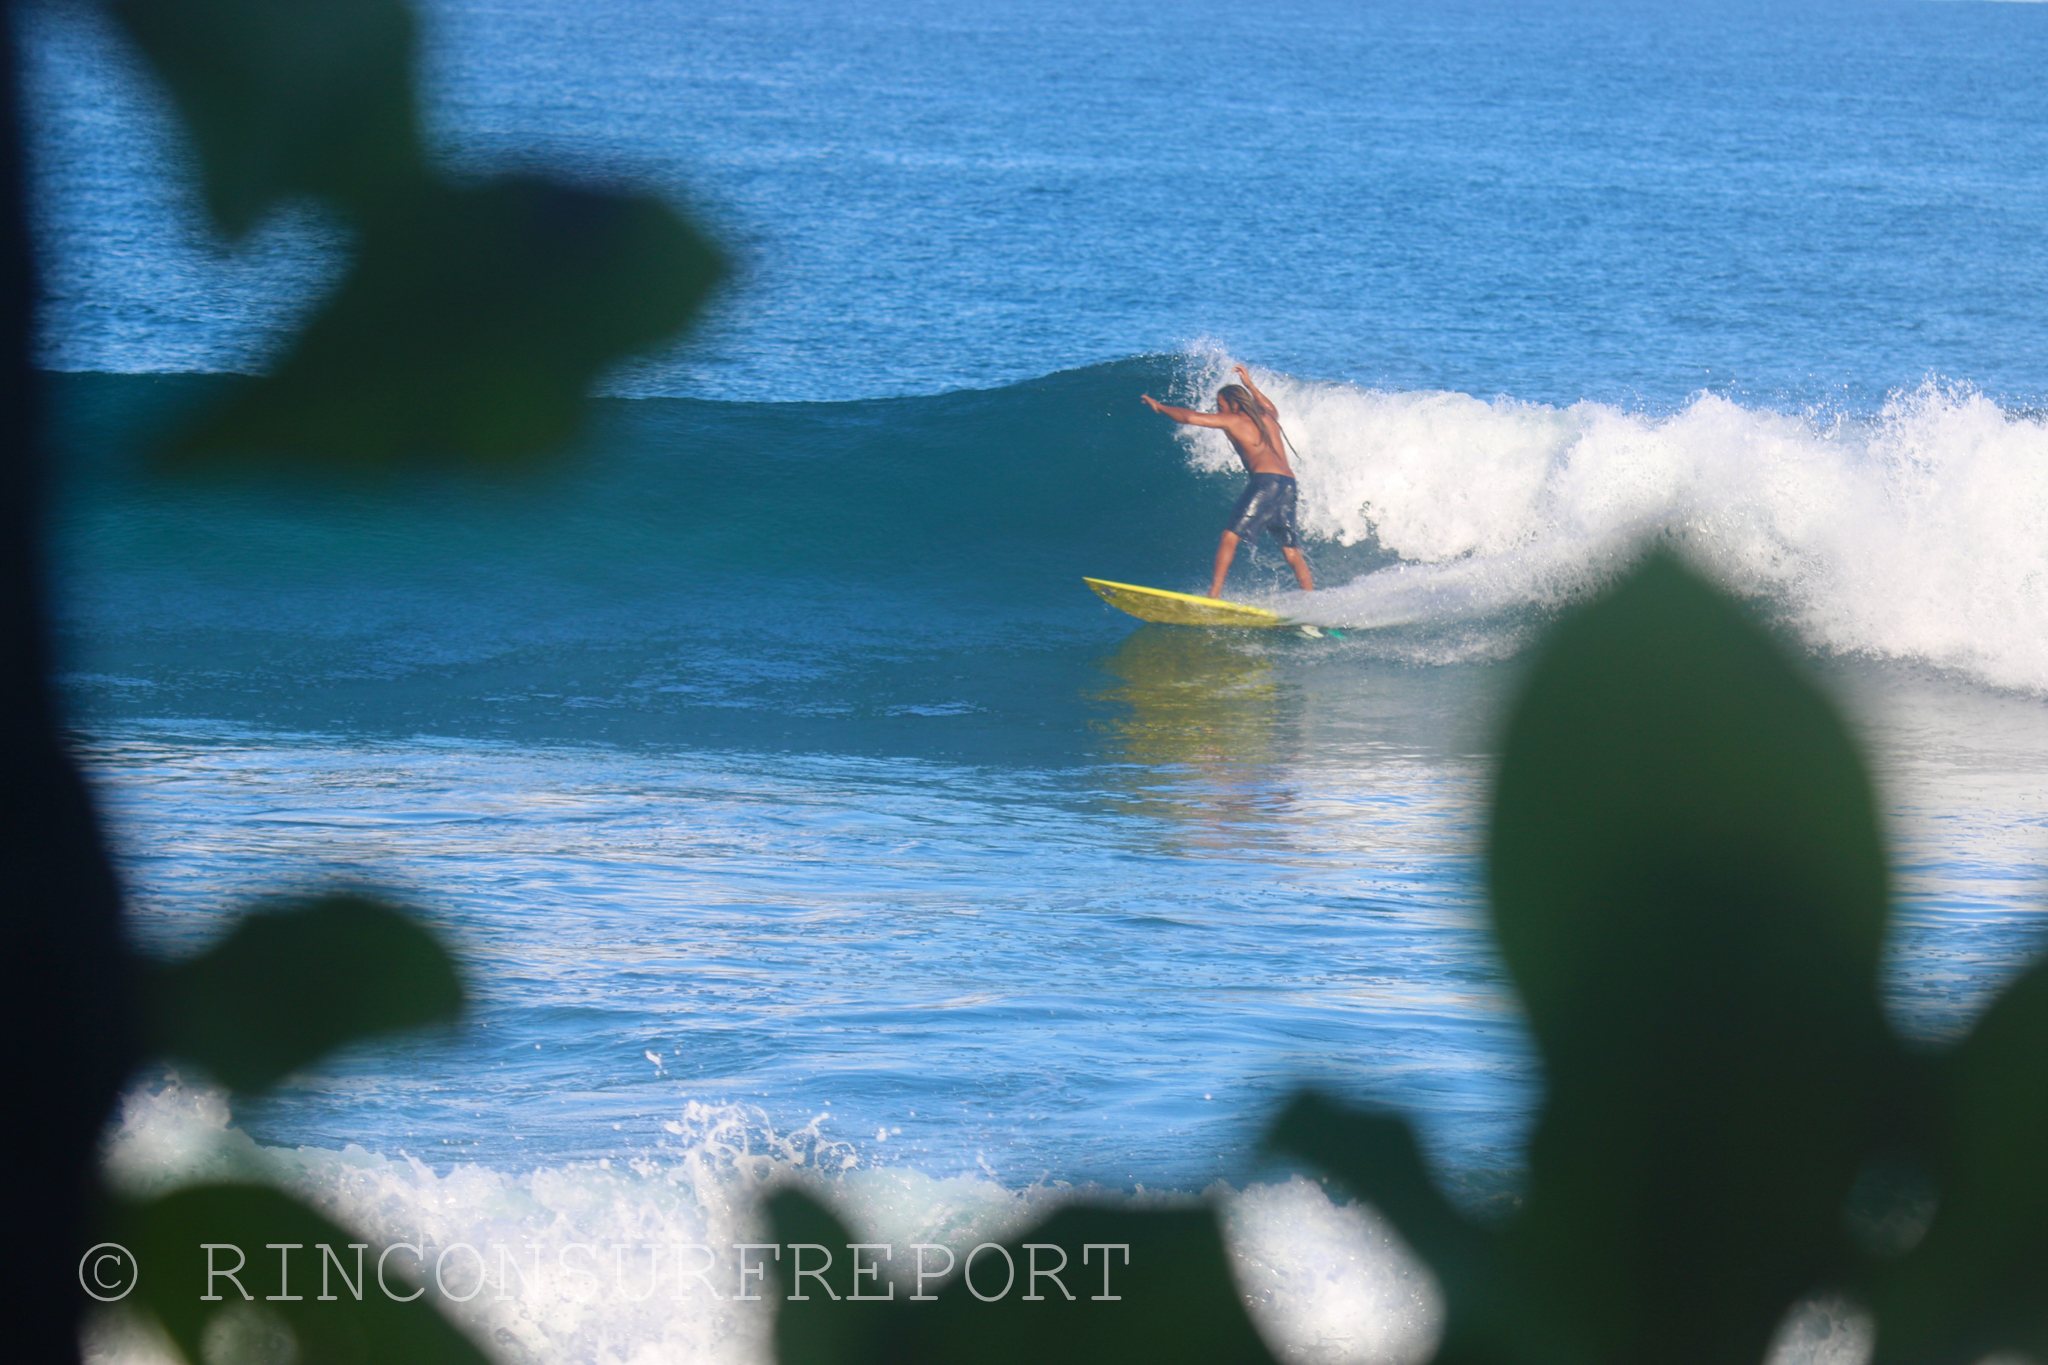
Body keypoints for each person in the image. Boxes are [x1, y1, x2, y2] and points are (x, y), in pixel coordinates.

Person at [1141, 364, 1313, 598]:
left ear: (1233, 404)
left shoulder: (1234, 420)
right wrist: (1249, 385)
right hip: (1288, 484)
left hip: (1266, 482)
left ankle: (1214, 594)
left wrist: (1160, 407)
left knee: (1229, 536)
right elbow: (1271, 407)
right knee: (1291, 549)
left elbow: (1191, 417)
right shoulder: (1267, 417)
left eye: (1221, 406)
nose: (1219, 410)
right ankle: (1310, 597)